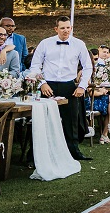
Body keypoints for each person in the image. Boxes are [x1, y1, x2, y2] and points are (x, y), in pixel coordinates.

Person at [27, 16, 93, 161]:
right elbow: (35, 66)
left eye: (68, 28)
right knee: (41, 120)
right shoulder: (45, 43)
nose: (66, 30)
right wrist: (42, 83)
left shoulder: (79, 44)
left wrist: (82, 86)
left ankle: (73, 152)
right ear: (56, 29)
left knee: (71, 121)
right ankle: (34, 155)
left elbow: (88, 67)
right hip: (47, 85)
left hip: (68, 86)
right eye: (62, 28)